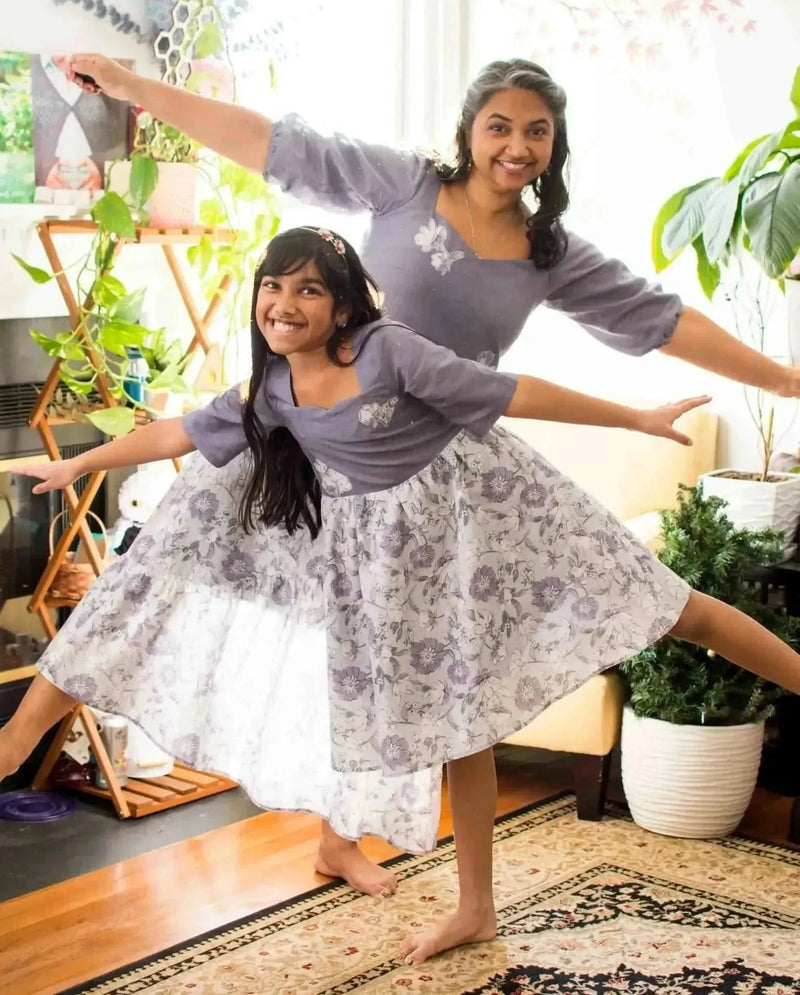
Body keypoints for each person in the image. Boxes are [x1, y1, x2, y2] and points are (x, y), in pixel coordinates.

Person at [32, 54, 800, 903]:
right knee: (161, 577)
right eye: (499, 125)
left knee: (630, 606)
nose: (516, 146)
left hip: (443, 472)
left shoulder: (550, 253)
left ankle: (338, 840)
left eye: (536, 131)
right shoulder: (400, 184)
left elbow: (659, 319)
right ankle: (27, 750)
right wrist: (136, 88)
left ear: (555, 145)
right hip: (314, 440)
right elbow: (270, 143)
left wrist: (782, 381)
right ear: (468, 131)